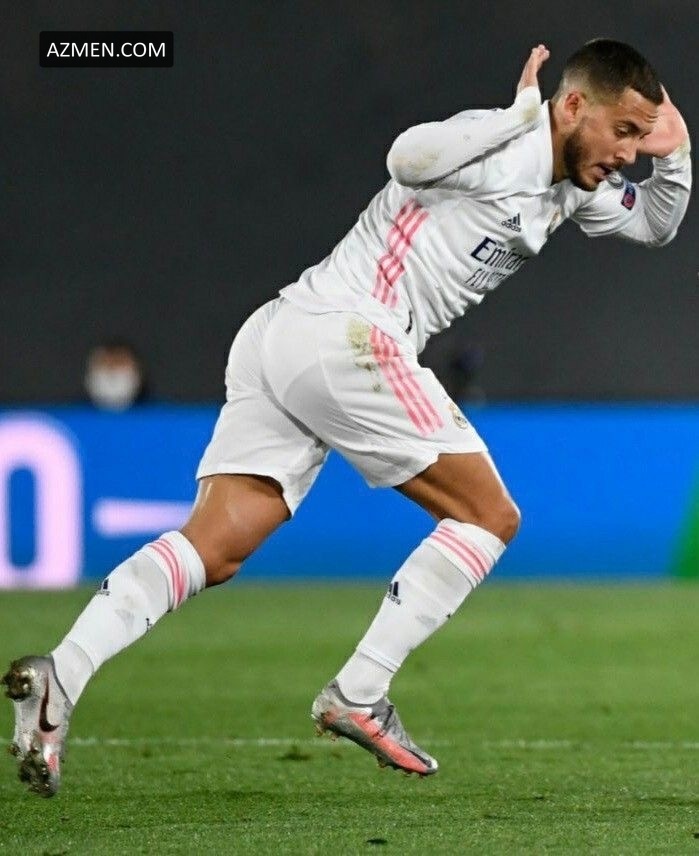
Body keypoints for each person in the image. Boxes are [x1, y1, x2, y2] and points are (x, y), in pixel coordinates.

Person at [4, 39, 690, 796]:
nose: (628, 155)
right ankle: (359, 692)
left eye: (637, 138)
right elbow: (406, 157)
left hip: (287, 333)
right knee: (488, 516)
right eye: (622, 133)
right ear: (572, 106)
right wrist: (513, 118)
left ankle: (60, 676)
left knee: (216, 547)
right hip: (350, 333)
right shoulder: (504, 141)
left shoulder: (573, 187)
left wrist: (676, 150)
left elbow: (655, 225)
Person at [83, 339, 150, 411]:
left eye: (120, 362)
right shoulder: (75, 413)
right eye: (105, 363)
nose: (112, 372)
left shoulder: (154, 413)